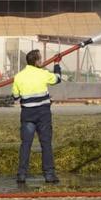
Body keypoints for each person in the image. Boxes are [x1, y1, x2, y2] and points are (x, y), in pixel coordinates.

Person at [12, 49, 63, 184]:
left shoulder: (18, 76)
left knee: (26, 145)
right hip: (43, 114)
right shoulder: (43, 74)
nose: (42, 61)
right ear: (37, 61)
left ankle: (22, 175)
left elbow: (15, 96)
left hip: (27, 114)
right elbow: (57, 79)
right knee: (46, 144)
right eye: (40, 59)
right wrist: (57, 64)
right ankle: (49, 175)